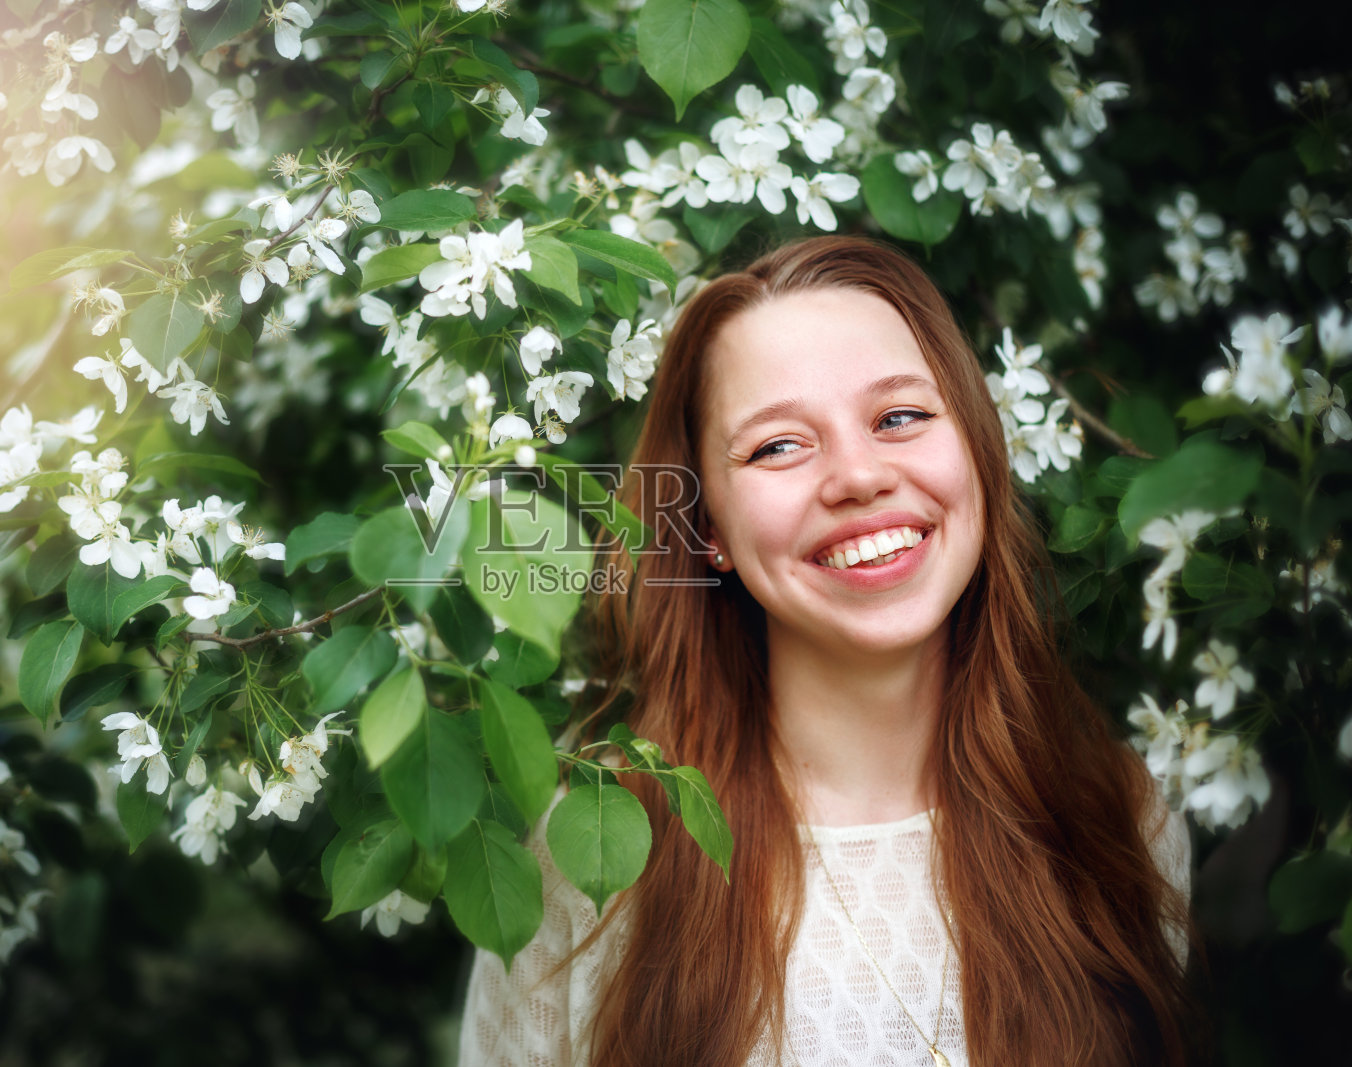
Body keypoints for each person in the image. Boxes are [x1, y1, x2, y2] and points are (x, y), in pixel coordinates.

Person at [457, 235, 1195, 1066]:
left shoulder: (1123, 821)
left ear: (979, 451)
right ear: (708, 527)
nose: (858, 475)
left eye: (900, 417)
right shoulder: (595, 844)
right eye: (777, 445)